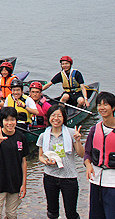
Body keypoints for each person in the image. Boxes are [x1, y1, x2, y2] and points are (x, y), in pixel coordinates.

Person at [37, 105, 84, 219]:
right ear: (48, 118)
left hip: (69, 177)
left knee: (71, 212)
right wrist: (46, 162)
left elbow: (81, 154)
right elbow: (40, 156)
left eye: (59, 115)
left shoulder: (72, 133)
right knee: (52, 212)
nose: (56, 118)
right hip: (50, 177)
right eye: (53, 115)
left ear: (64, 118)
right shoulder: (44, 136)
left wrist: (77, 141)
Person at [0, 107, 28, 219]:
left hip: (15, 183)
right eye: (6, 120)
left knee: (11, 214)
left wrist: (24, 184)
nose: (10, 123)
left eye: (12, 120)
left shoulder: (21, 137)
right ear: (1, 121)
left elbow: (23, 161)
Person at [84, 91, 115, 219]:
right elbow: (87, 153)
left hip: (112, 182)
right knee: (95, 215)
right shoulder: (95, 129)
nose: (102, 108)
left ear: (113, 108)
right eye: (99, 105)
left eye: (106, 104)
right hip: (96, 179)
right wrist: (88, 165)